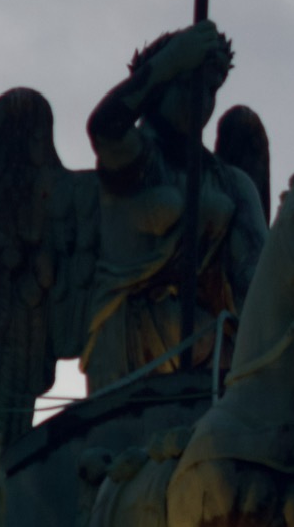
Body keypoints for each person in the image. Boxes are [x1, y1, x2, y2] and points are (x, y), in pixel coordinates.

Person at [79, 21, 266, 394]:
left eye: (212, 89)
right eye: (189, 84)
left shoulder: (229, 182)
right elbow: (105, 128)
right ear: (160, 86)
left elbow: (258, 287)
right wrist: (169, 62)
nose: (203, 99)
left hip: (210, 349)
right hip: (130, 345)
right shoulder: (137, 159)